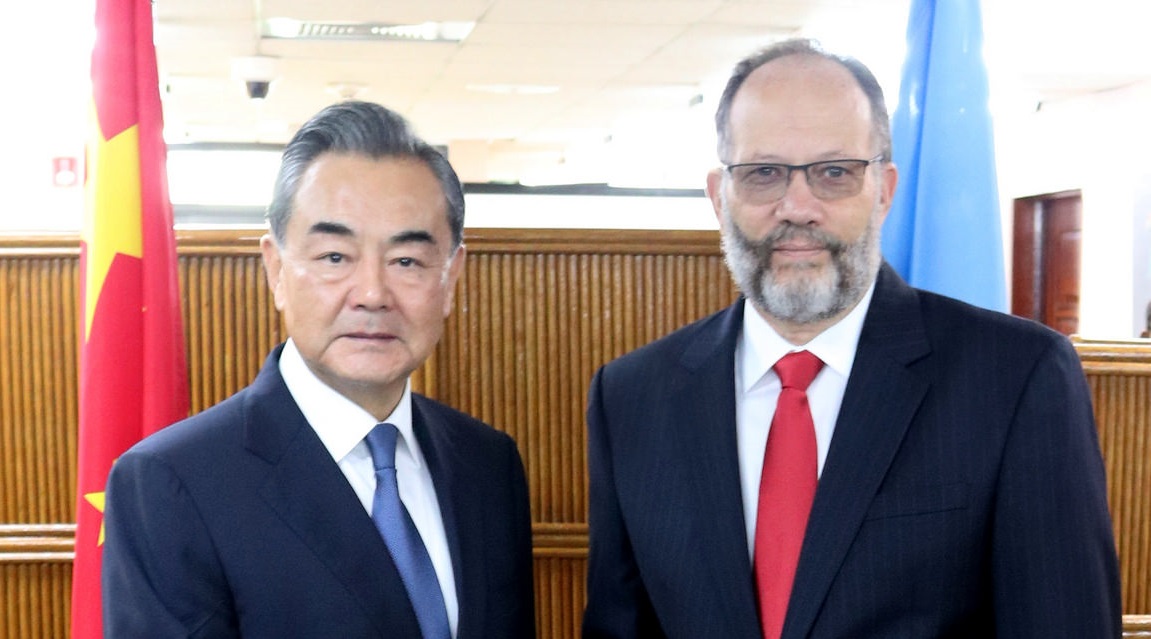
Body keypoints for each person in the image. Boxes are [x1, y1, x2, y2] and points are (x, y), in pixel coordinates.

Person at [582, 39, 1120, 638]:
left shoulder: (1015, 377)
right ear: (719, 197)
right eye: (764, 173)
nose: (798, 207)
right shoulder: (631, 397)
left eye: (834, 172)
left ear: (884, 190)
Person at [102, 101, 536, 638]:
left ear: (450, 278)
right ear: (276, 270)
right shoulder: (171, 483)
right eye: (335, 257)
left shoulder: (488, 464)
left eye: (406, 261)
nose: (373, 294)